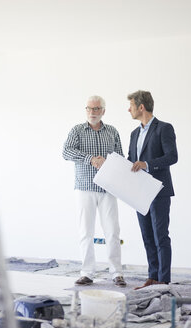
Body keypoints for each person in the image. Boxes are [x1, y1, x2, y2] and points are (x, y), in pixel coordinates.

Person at [62, 95, 126, 287]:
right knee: (85, 232)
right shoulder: (77, 130)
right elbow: (66, 152)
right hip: (84, 188)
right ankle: (87, 272)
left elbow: (120, 157)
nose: (92, 112)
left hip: (108, 188)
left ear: (103, 111)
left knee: (113, 231)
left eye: (97, 109)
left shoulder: (112, 132)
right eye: (89, 109)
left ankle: (117, 273)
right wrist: (91, 159)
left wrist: (111, 164)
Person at [127, 90, 178, 289]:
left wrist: (147, 164)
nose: (128, 109)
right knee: (147, 235)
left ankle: (163, 280)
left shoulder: (164, 128)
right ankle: (152, 276)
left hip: (159, 190)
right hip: (139, 192)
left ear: (141, 107)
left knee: (160, 235)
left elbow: (172, 157)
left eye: (131, 105)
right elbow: (132, 161)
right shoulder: (134, 133)